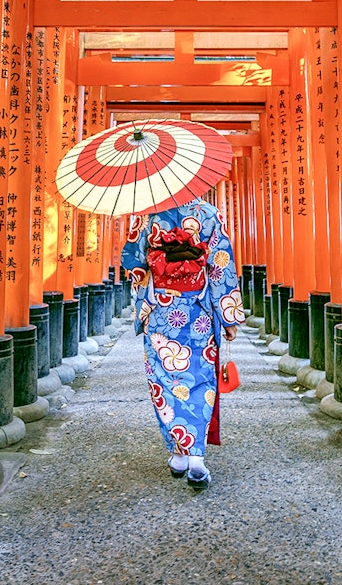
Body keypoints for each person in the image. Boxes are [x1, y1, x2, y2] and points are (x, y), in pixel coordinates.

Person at [121, 197, 246, 488]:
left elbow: (133, 263)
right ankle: (196, 459)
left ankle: (180, 452)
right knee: (200, 379)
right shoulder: (210, 214)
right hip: (197, 310)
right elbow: (220, 267)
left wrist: (159, 265)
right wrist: (227, 316)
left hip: (160, 310)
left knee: (164, 379)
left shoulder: (145, 214)